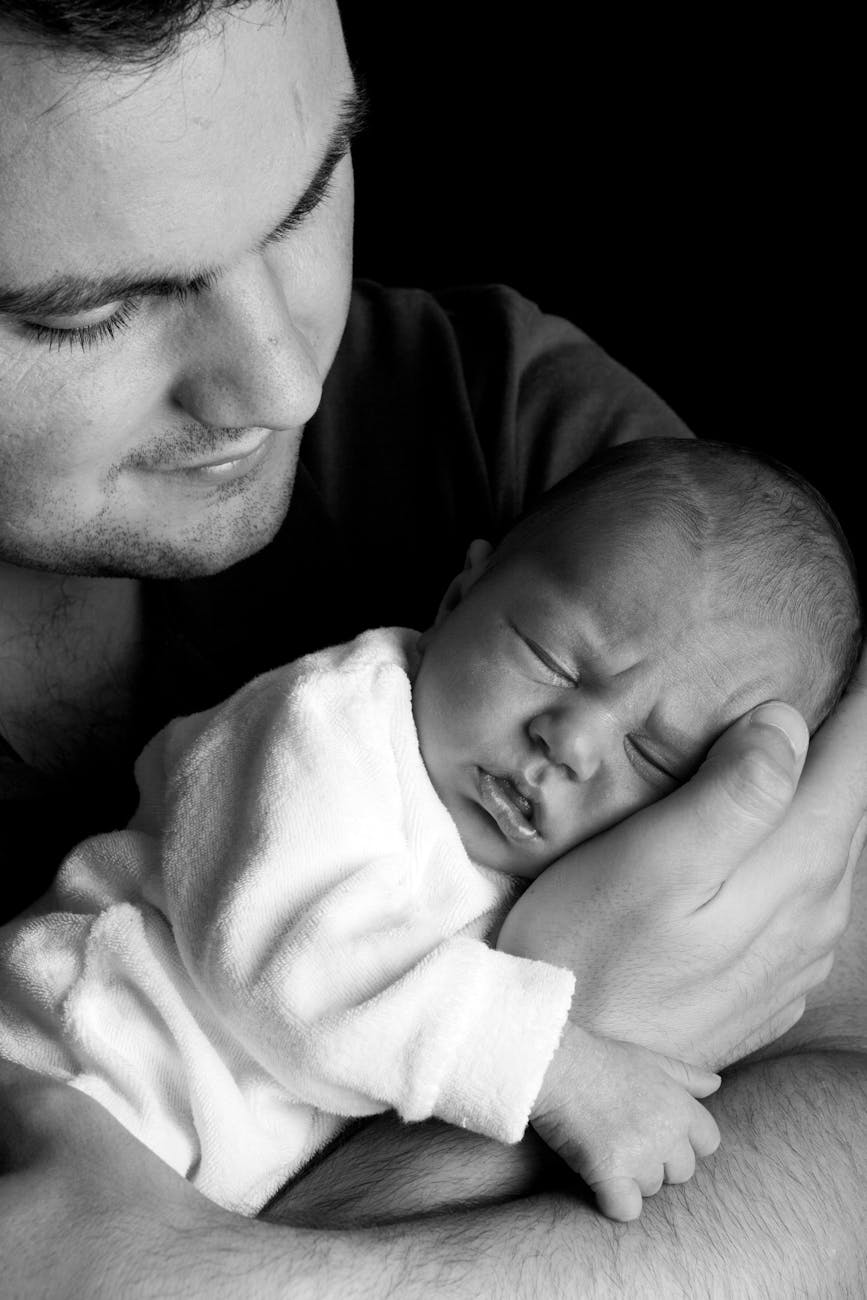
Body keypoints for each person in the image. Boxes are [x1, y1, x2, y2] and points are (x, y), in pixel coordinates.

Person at [0, 2, 865, 1296]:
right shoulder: (337, 724)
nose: (284, 382)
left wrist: (183, 1276)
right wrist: (586, 1054)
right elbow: (290, 961)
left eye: (304, 200)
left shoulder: (537, 461)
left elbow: (846, 1131)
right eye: (89, 312)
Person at [0, 436, 861, 1225]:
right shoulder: (326, 727)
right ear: (460, 595)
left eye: (657, 755)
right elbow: (296, 969)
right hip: (69, 1072)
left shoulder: (581, 876)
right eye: (552, 658)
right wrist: (562, 1068)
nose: (572, 740)